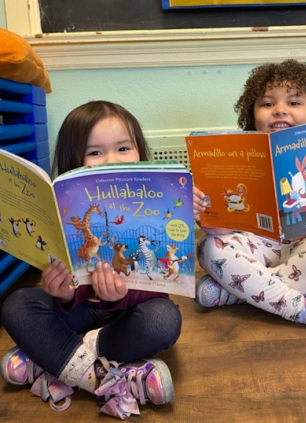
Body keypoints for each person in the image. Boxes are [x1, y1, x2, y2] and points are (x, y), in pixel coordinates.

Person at [0, 101, 203, 419]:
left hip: (127, 319)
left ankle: (51, 361)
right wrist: (64, 292)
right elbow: (64, 271)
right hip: (77, 313)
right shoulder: (68, 207)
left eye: (123, 148)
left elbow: (157, 281)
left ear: (140, 152)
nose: (112, 159)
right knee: (17, 304)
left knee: (163, 320)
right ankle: (114, 378)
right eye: (95, 152)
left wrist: (119, 297)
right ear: (73, 161)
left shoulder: (153, 201)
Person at [194, 60, 306, 339]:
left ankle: (236, 291)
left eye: (293, 102)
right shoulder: (238, 155)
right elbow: (221, 229)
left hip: (305, 248)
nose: (279, 109)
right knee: (209, 248)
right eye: (267, 104)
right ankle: (304, 311)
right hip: (253, 245)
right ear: (252, 114)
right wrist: (205, 213)